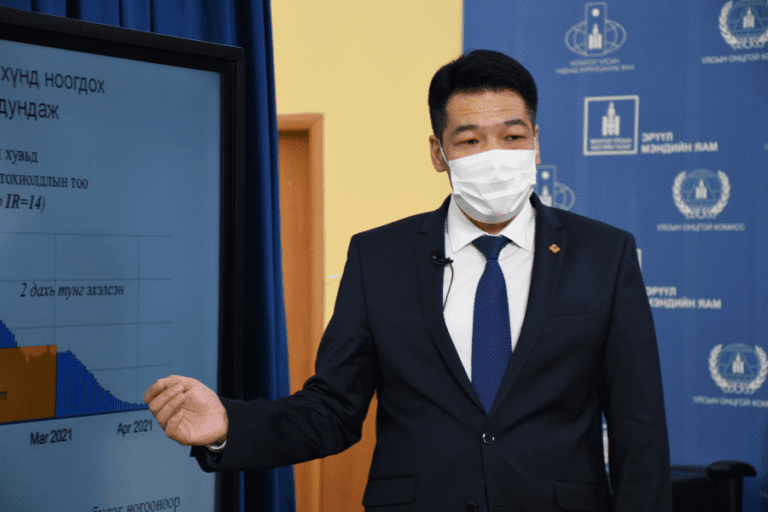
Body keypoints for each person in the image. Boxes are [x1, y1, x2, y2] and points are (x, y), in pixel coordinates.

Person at [144, 49, 672, 511]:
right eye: (470, 140)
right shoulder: (379, 257)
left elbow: (639, 430)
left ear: (536, 143)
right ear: (438, 153)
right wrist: (230, 425)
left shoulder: (604, 254)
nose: (494, 157)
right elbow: (333, 410)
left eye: (512, 137)